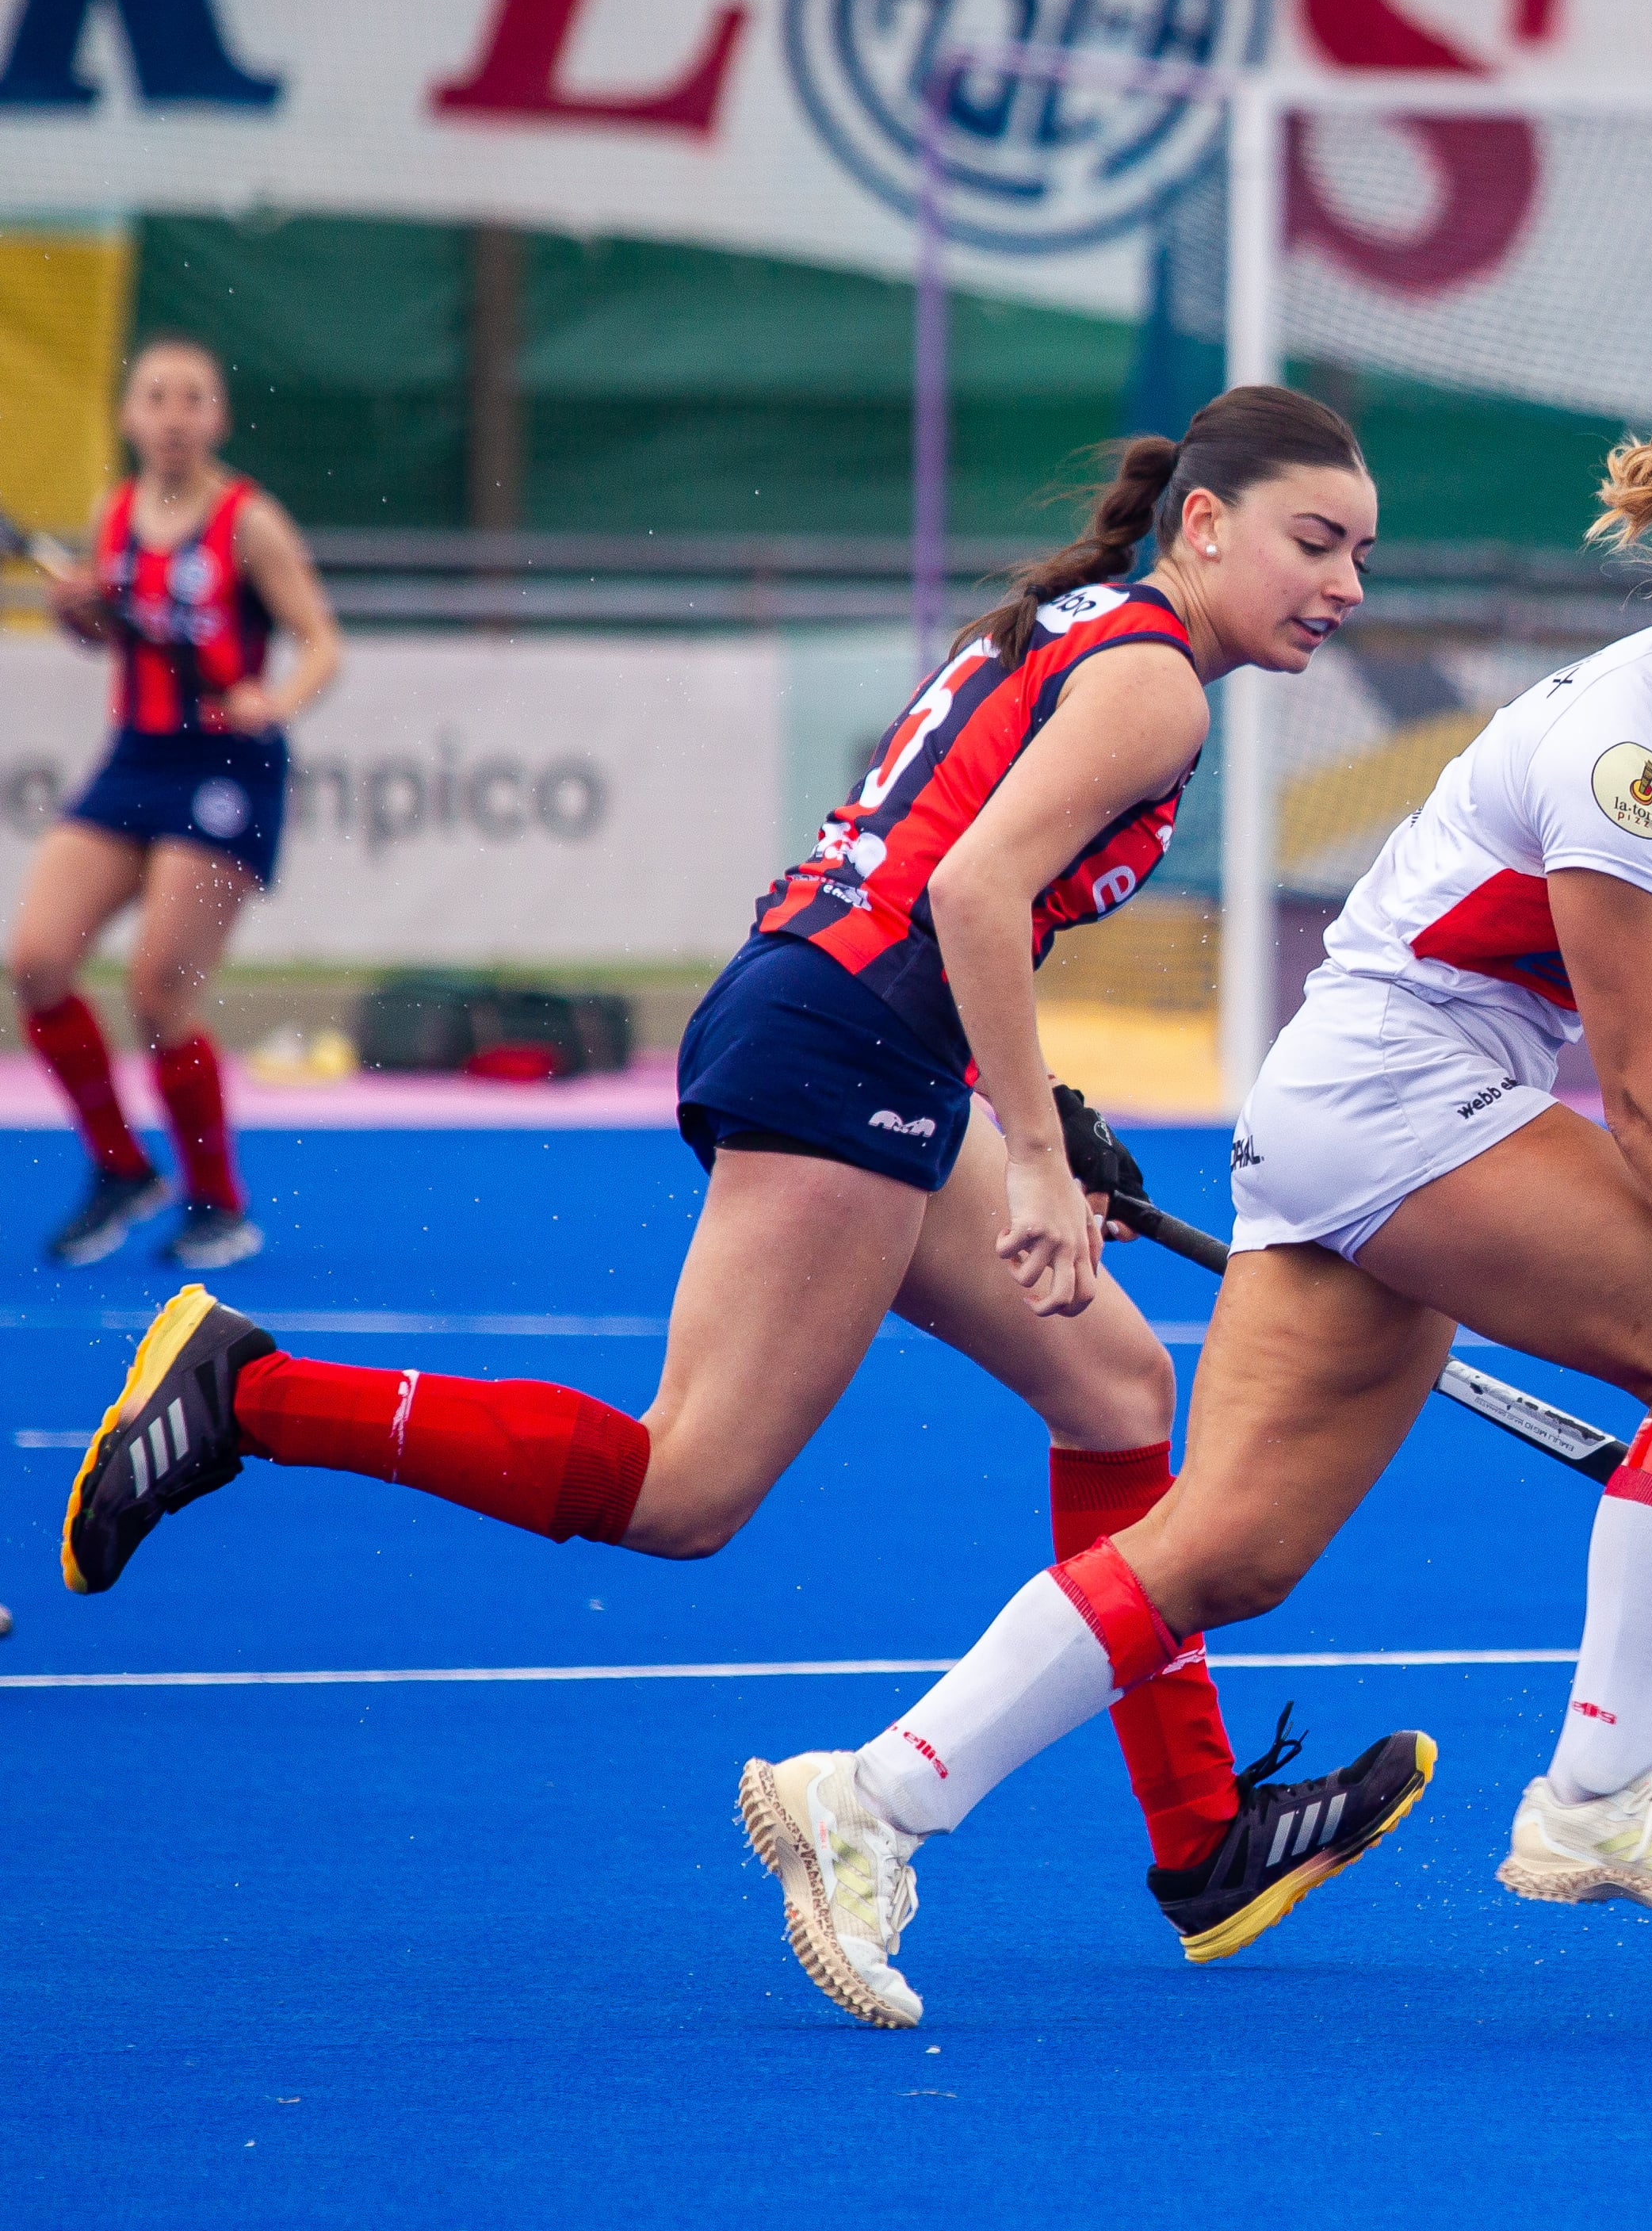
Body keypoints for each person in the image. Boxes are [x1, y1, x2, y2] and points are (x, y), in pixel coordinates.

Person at [63, 388, 1436, 1967]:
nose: (1344, 585)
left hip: (848, 1021)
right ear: (1204, 523)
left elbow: (940, 867)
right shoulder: (1157, 687)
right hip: (849, 1042)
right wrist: (1032, 1156)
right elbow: (974, 893)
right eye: (1315, 543)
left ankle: (1201, 1836)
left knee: (1119, 1384)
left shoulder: (1096, 630)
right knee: (687, 1488)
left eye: (1362, 555)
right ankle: (246, 1395)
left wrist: (1033, 1107)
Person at [732, 392, 1652, 2030]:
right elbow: (1648, 1102)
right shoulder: (1630, 751)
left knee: (1228, 1552)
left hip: (1371, 1110)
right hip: (1401, 1094)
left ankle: (868, 1795)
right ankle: (1601, 1796)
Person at [15, 336, 343, 1269]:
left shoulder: (249, 522)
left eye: (192, 398)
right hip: (136, 756)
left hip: (226, 767)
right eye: (155, 397)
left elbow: (321, 641)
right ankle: (121, 1169)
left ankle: (217, 1202)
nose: (172, 416)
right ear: (129, 417)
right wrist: (79, 614)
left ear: (218, 419)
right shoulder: (113, 514)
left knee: (159, 991)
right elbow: (107, 636)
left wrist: (275, 700)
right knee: (37, 961)